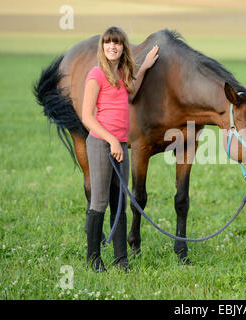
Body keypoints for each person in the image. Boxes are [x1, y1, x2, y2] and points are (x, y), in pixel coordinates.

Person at [81, 26, 159, 272]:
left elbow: (132, 91)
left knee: (119, 202)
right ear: (102, 47)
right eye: (107, 43)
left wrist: (144, 66)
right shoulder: (96, 74)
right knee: (100, 201)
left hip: (120, 146)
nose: (112, 47)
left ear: (123, 47)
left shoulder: (123, 73)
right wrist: (112, 140)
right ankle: (93, 259)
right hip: (101, 143)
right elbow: (87, 116)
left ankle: (121, 259)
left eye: (116, 43)